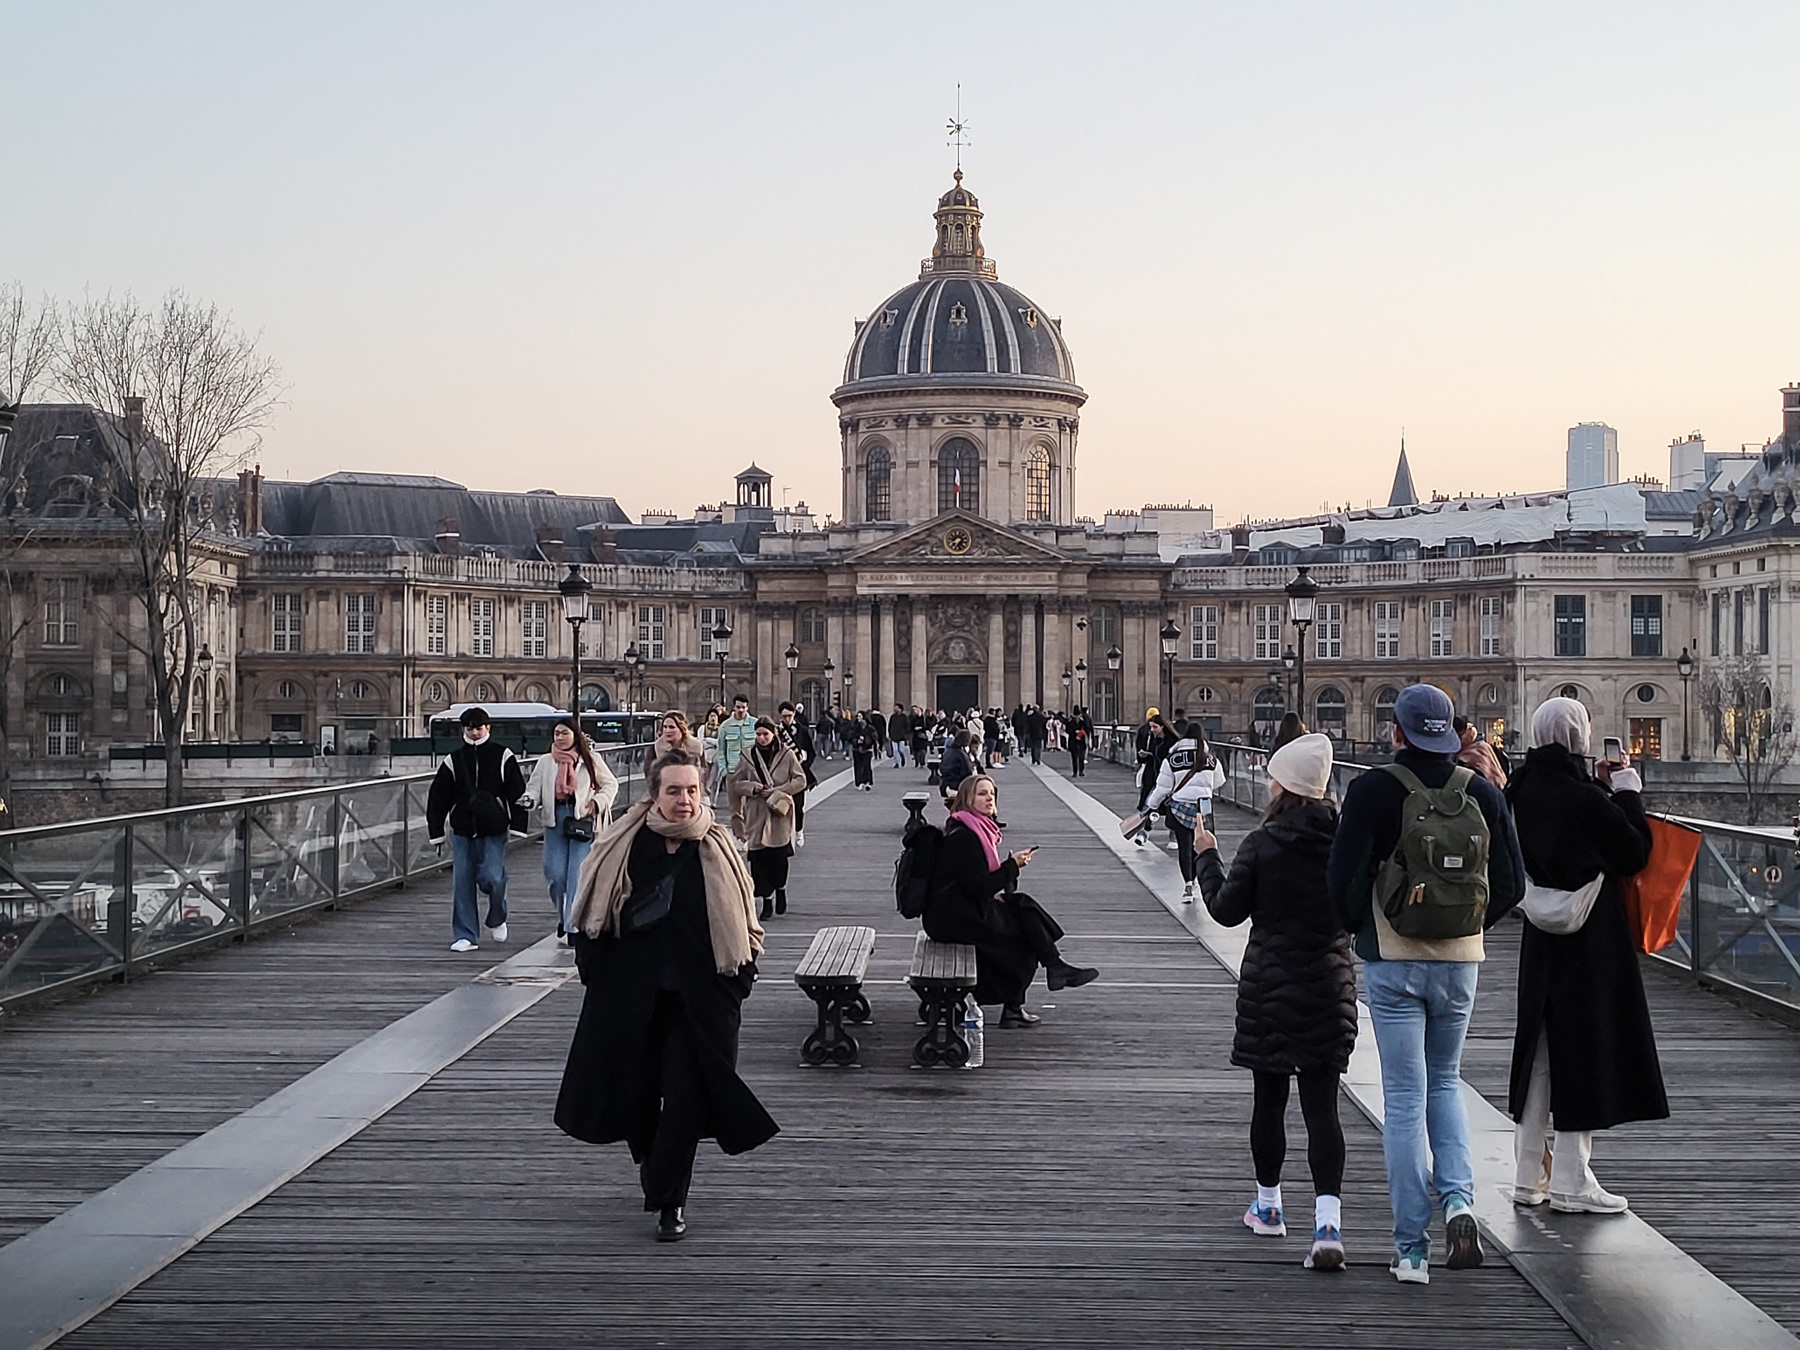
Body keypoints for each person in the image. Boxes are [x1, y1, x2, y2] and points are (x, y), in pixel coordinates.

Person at [1327, 683, 1525, 1285]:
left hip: (1393, 958)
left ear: (1396, 732)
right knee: (1446, 1084)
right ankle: (1461, 1203)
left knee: (1406, 1100)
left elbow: (1341, 880)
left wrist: (1367, 926)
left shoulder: (1372, 789)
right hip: (1461, 961)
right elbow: (1513, 884)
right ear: (1451, 732)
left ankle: (1411, 1247)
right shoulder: (1485, 793)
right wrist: (1467, 924)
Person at [556, 750, 778, 1242]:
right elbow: (593, 911)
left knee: (685, 1097)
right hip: (628, 995)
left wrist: (739, 981)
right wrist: (592, 971)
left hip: (700, 999)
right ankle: (654, 1162)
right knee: (634, 1095)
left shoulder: (717, 846)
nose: (684, 799)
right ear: (653, 794)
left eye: (692, 790)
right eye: (674, 790)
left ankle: (669, 1198)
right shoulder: (622, 844)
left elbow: (743, 919)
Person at [1194, 734, 1354, 1272]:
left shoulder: (1262, 844)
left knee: (1270, 1102)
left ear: (1283, 786)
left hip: (1270, 987)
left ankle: (1268, 1207)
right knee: (1323, 1108)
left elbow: (1224, 910)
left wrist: (1207, 857)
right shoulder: (1345, 842)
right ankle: (1328, 1224)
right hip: (1329, 987)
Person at [1505, 697, 1665, 1214]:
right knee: (1586, 1050)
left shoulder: (1520, 789)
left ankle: (1529, 1174)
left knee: (1541, 1054)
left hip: (1539, 931)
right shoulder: (1587, 798)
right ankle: (1573, 1178)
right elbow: (1632, 851)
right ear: (1579, 737)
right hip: (1590, 938)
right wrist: (1626, 793)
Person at [923, 774, 1099, 1026]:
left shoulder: (975, 827)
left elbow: (982, 883)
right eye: (982, 793)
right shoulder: (965, 836)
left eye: (991, 793)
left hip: (960, 909)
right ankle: (1030, 991)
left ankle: (1053, 966)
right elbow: (979, 888)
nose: (989, 798)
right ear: (967, 798)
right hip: (954, 917)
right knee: (1026, 940)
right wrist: (1012, 866)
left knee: (1022, 905)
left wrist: (1011, 869)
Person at [426, 706, 527, 952]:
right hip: (462, 828)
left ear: (488, 728)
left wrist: (518, 825)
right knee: (462, 882)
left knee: (492, 876)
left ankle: (497, 915)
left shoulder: (503, 756)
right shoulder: (453, 760)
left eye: (478, 728)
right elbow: (438, 798)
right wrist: (436, 832)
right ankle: (466, 935)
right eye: (470, 729)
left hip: (493, 828)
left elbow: (517, 792)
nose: (474, 733)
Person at [522, 716, 619, 942]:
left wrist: (597, 803)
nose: (560, 737)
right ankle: (563, 916)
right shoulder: (546, 761)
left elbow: (610, 784)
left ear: (575, 735)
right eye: (556, 733)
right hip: (555, 819)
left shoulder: (590, 759)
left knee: (576, 874)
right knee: (555, 875)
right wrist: (529, 799)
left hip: (582, 820)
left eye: (565, 733)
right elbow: (534, 787)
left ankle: (572, 927)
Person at [729, 717, 808, 920]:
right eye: (759, 734)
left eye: (766, 734)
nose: (762, 738)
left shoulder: (787, 754)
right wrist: (752, 788)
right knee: (758, 860)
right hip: (756, 812)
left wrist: (778, 790)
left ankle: (780, 889)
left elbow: (800, 780)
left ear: (773, 733)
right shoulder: (747, 756)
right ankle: (766, 900)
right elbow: (735, 784)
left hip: (778, 813)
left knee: (778, 858)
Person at [1145, 722, 1228, 899]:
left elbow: (1163, 786)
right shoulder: (1210, 757)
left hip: (1180, 805)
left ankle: (1188, 883)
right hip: (1203, 805)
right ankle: (1198, 877)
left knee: (1184, 845)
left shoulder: (1173, 757)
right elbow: (1220, 781)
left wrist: (1152, 805)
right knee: (1201, 842)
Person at [776, 701, 816, 848]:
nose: (787, 719)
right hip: (782, 775)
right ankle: (786, 833)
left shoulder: (803, 730)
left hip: (799, 774)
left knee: (798, 806)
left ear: (794, 714)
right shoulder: (777, 731)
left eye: (789, 716)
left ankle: (799, 831)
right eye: (784, 716)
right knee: (782, 806)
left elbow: (811, 752)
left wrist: (806, 765)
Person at [717, 695, 756, 779]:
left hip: (752, 770)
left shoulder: (755, 724)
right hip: (733, 770)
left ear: (747, 708)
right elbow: (721, 750)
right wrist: (723, 771)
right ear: (734, 707)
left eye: (743, 707)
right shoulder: (725, 726)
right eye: (738, 707)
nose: (741, 710)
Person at [938, 727, 975, 803]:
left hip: (946, 784)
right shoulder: (961, 754)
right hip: (957, 785)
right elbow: (967, 771)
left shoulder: (949, 752)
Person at [849, 712, 878, 790]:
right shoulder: (855, 727)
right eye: (858, 716)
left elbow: (874, 737)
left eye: (860, 716)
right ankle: (859, 782)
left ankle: (868, 781)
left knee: (866, 765)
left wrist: (866, 741)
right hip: (857, 749)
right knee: (858, 766)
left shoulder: (870, 728)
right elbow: (850, 737)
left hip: (867, 749)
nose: (859, 718)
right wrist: (856, 741)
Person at [1069, 707, 1091, 778]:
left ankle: (1081, 771)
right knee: (1074, 757)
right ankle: (1075, 771)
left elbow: (1087, 728)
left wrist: (1082, 732)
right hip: (1074, 740)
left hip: (1081, 740)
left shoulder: (1083, 721)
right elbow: (1067, 729)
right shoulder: (1071, 721)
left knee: (1081, 757)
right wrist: (1074, 731)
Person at [890, 703, 909, 767]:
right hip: (894, 735)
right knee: (895, 750)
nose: (895, 709)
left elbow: (907, 726)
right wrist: (890, 733)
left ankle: (902, 757)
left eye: (896, 707)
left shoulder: (904, 717)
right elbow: (890, 725)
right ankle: (897, 762)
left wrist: (906, 735)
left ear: (900, 709)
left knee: (900, 750)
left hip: (902, 736)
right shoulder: (893, 716)